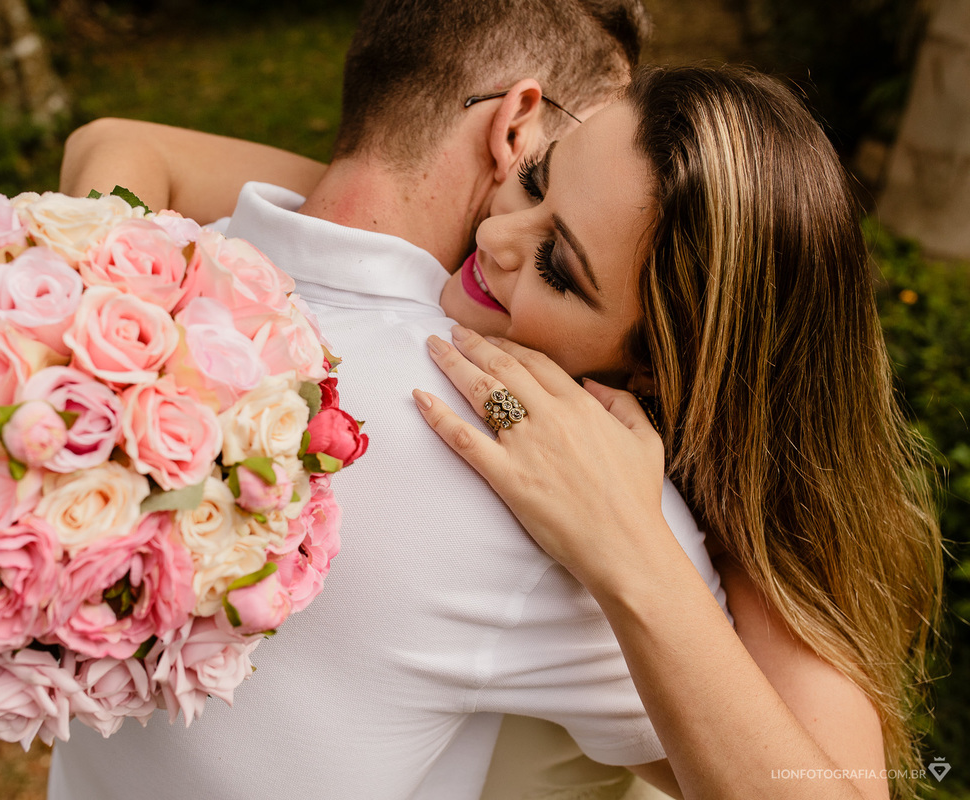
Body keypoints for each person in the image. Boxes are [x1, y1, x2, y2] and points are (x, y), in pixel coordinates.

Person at [51, 1, 723, 798]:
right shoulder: (549, 489)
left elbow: (111, 140)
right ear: (516, 131)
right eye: (555, 169)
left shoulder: (132, 302)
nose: (508, 242)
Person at [414, 66, 943, 799]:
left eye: (558, 268)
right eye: (536, 180)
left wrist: (626, 549)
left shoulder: (735, 552)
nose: (495, 232)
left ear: (658, 369)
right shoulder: (472, 245)